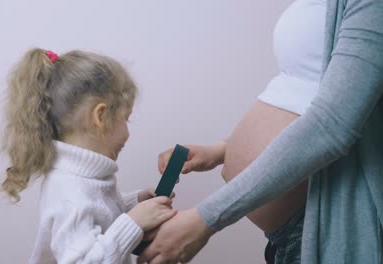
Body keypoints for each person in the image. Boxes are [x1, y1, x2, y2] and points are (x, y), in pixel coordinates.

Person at [138, 0, 383, 263]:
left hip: (322, 221)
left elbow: (332, 124)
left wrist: (205, 219)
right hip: (287, 232)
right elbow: (301, 89)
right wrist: (223, 150)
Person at [0, 49, 177, 263]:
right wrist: (134, 223)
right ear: (100, 116)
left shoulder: (84, 180)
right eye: (125, 119)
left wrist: (135, 202)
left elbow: (99, 214)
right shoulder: (70, 194)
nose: (127, 132)